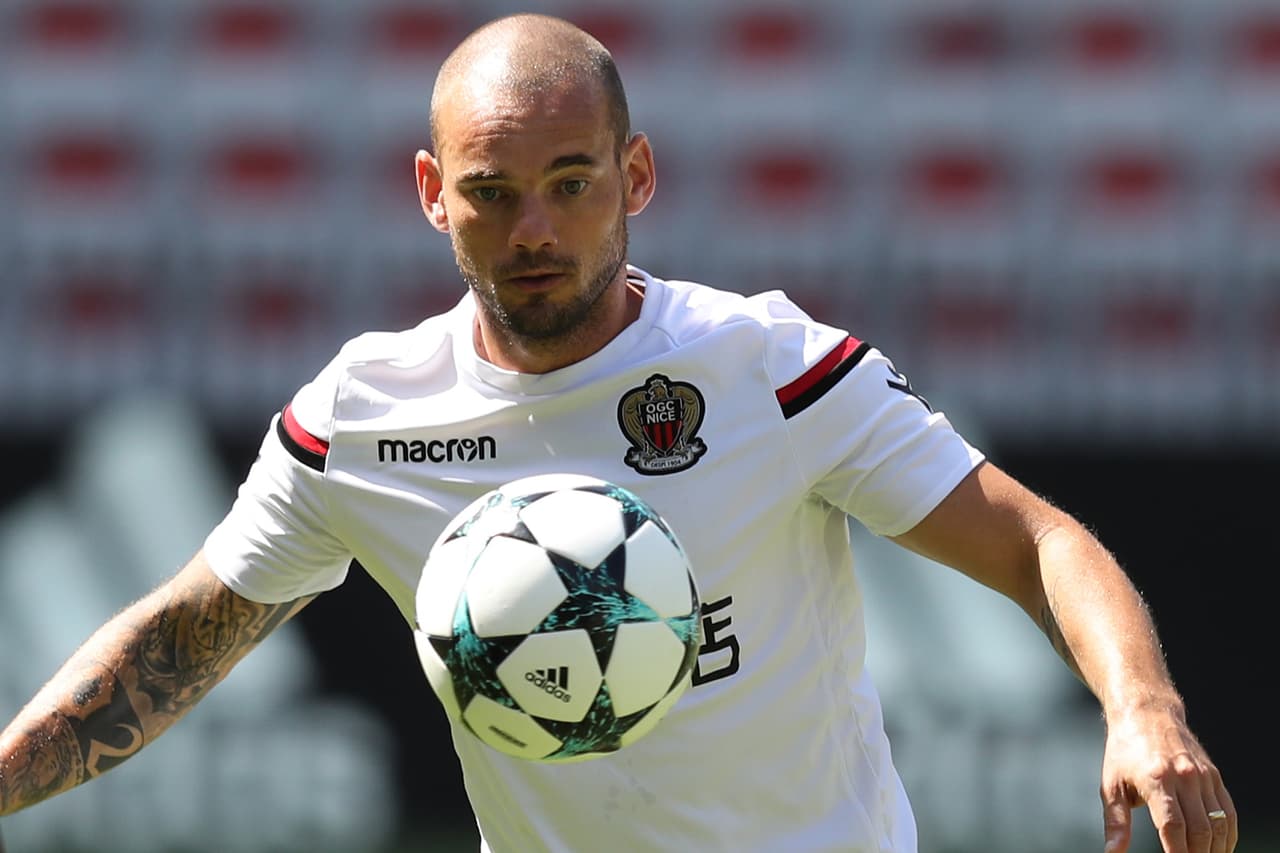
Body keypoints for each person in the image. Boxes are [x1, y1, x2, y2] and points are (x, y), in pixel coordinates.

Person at [0, 13, 1236, 853]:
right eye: (491, 192)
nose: (533, 228)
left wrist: (1143, 708)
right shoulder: (359, 420)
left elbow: (1035, 541)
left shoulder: (765, 368)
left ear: (634, 175)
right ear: (432, 194)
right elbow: (175, 639)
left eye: (571, 182)